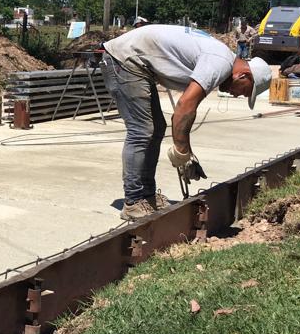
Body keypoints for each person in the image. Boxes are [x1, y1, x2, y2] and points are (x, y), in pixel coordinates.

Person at [100, 24, 272, 221]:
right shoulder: (219, 63)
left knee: (156, 128)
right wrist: (182, 153)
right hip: (124, 59)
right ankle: (133, 201)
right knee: (142, 130)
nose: (237, 94)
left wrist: (186, 153)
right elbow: (183, 108)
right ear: (243, 76)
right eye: (244, 91)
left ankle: (146, 195)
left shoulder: (220, 61)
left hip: (134, 61)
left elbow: (187, 113)